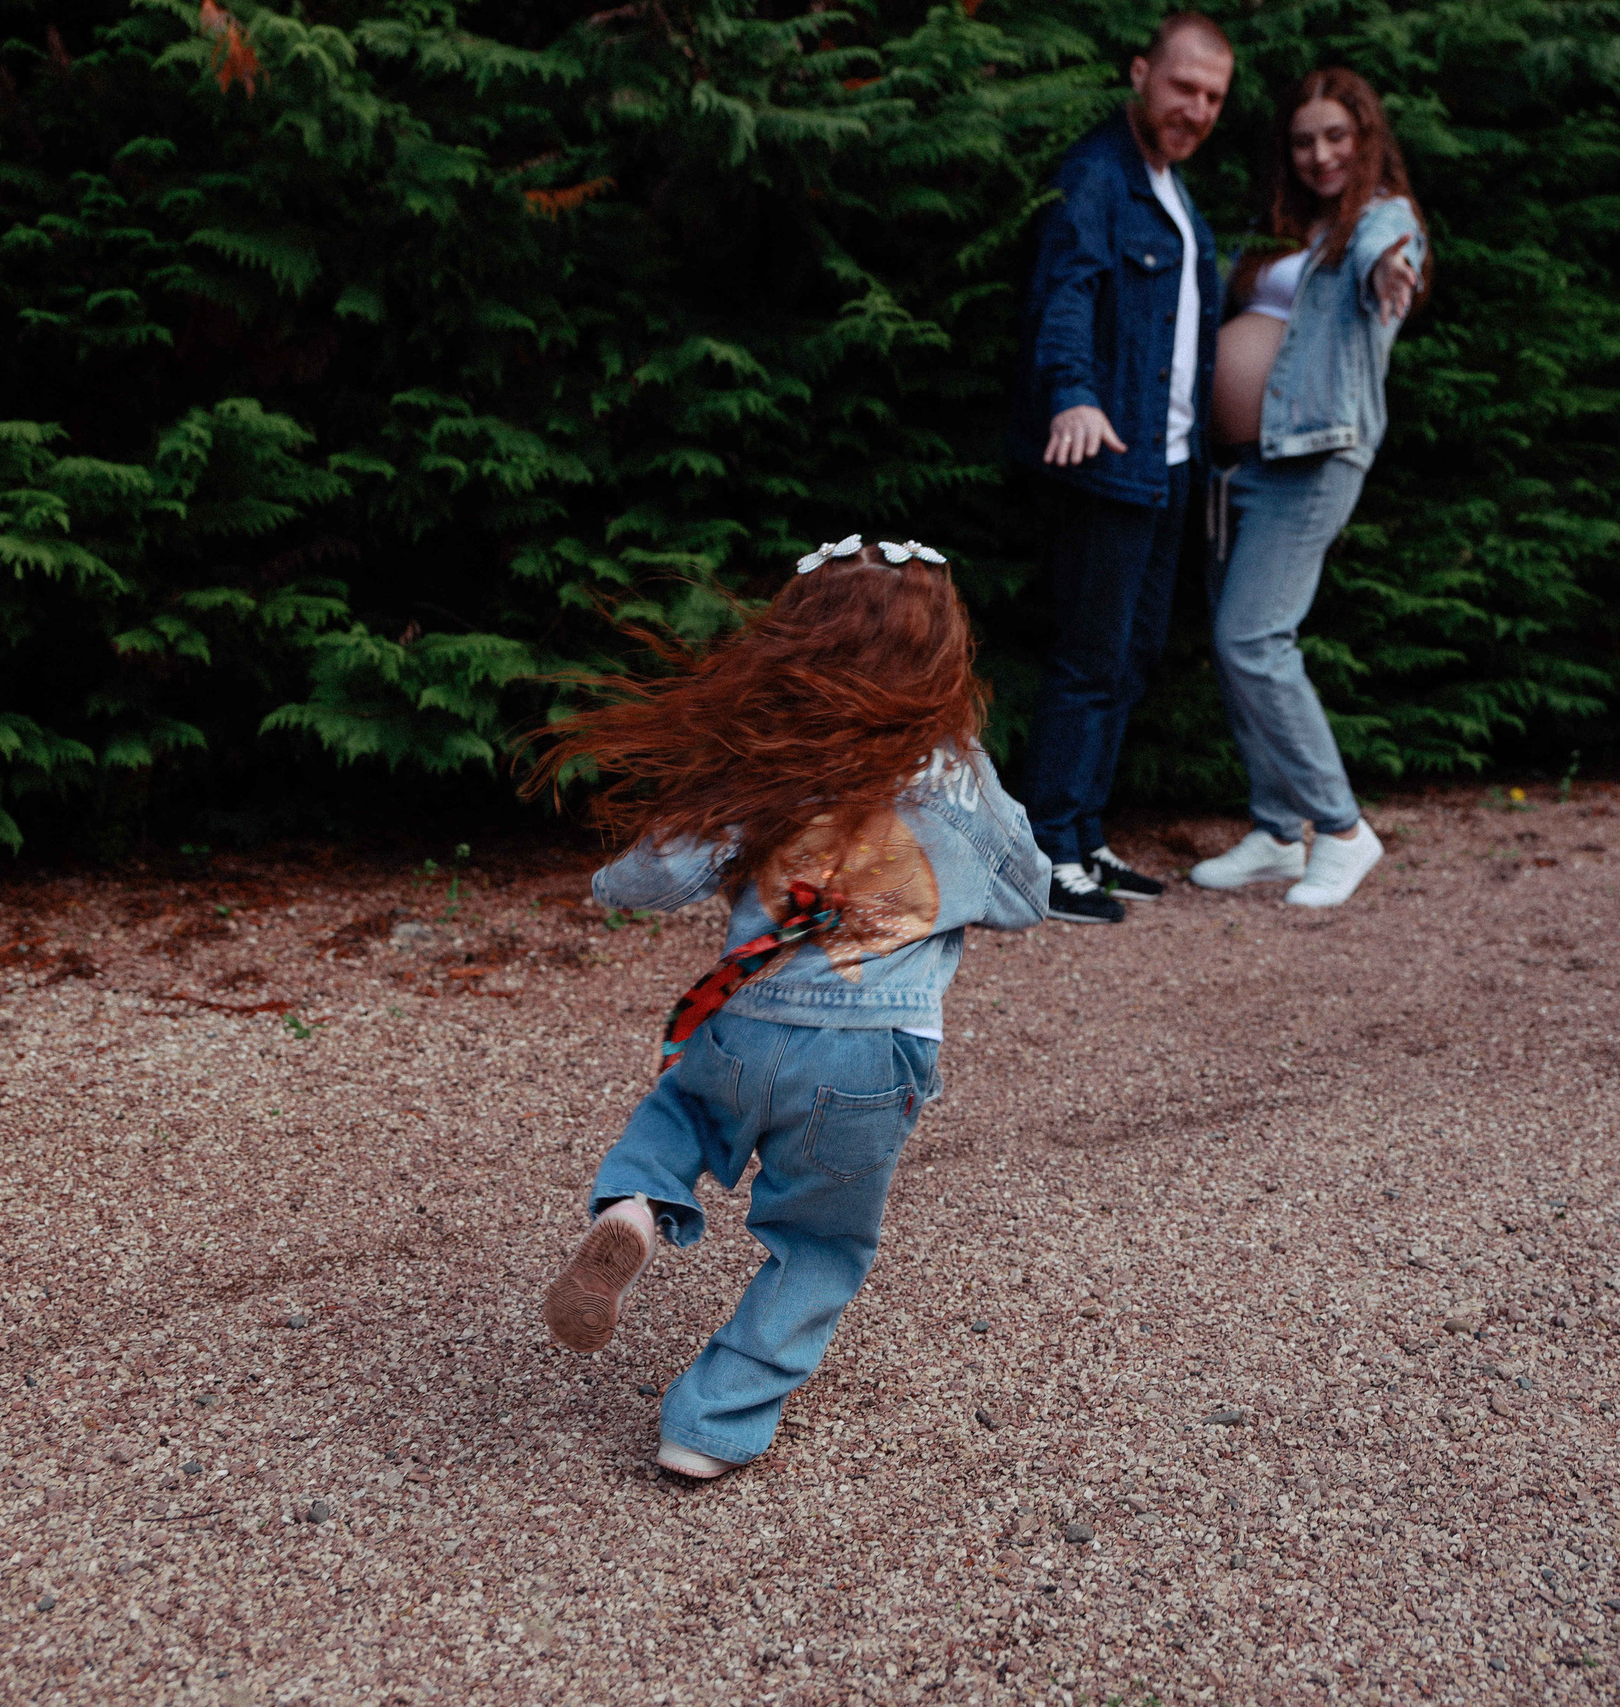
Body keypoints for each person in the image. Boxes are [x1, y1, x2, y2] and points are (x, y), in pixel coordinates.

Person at [529, 535, 1050, 1480]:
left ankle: (640, 1208)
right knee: (817, 1243)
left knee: (681, 1107)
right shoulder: (954, 774)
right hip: (868, 1059)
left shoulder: (762, 762)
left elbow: (657, 874)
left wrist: (608, 881)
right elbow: (1027, 894)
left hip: (744, 1023)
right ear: (943, 660)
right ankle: (712, 1423)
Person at [1007, 14, 1234, 925]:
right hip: (1109, 454)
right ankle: (1049, 852)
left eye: (1213, 97)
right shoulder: (1097, 176)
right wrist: (1072, 393)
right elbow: (1065, 293)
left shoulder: (1170, 188)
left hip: (1170, 462)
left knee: (1131, 655)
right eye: (1183, 87)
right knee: (1090, 656)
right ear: (1141, 73)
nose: (1196, 109)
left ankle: (1085, 833)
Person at [1188, 68, 1429, 908]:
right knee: (1232, 644)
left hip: (1315, 453)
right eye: (1303, 139)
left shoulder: (1381, 222)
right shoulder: (1282, 226)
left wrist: (1389, 271)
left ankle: (1342, 827)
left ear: (1364, 137)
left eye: (1336, 135)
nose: (1321, 153)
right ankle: (1278, 830)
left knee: (1256, 638)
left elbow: (1380, 261)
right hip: (1234, 466)